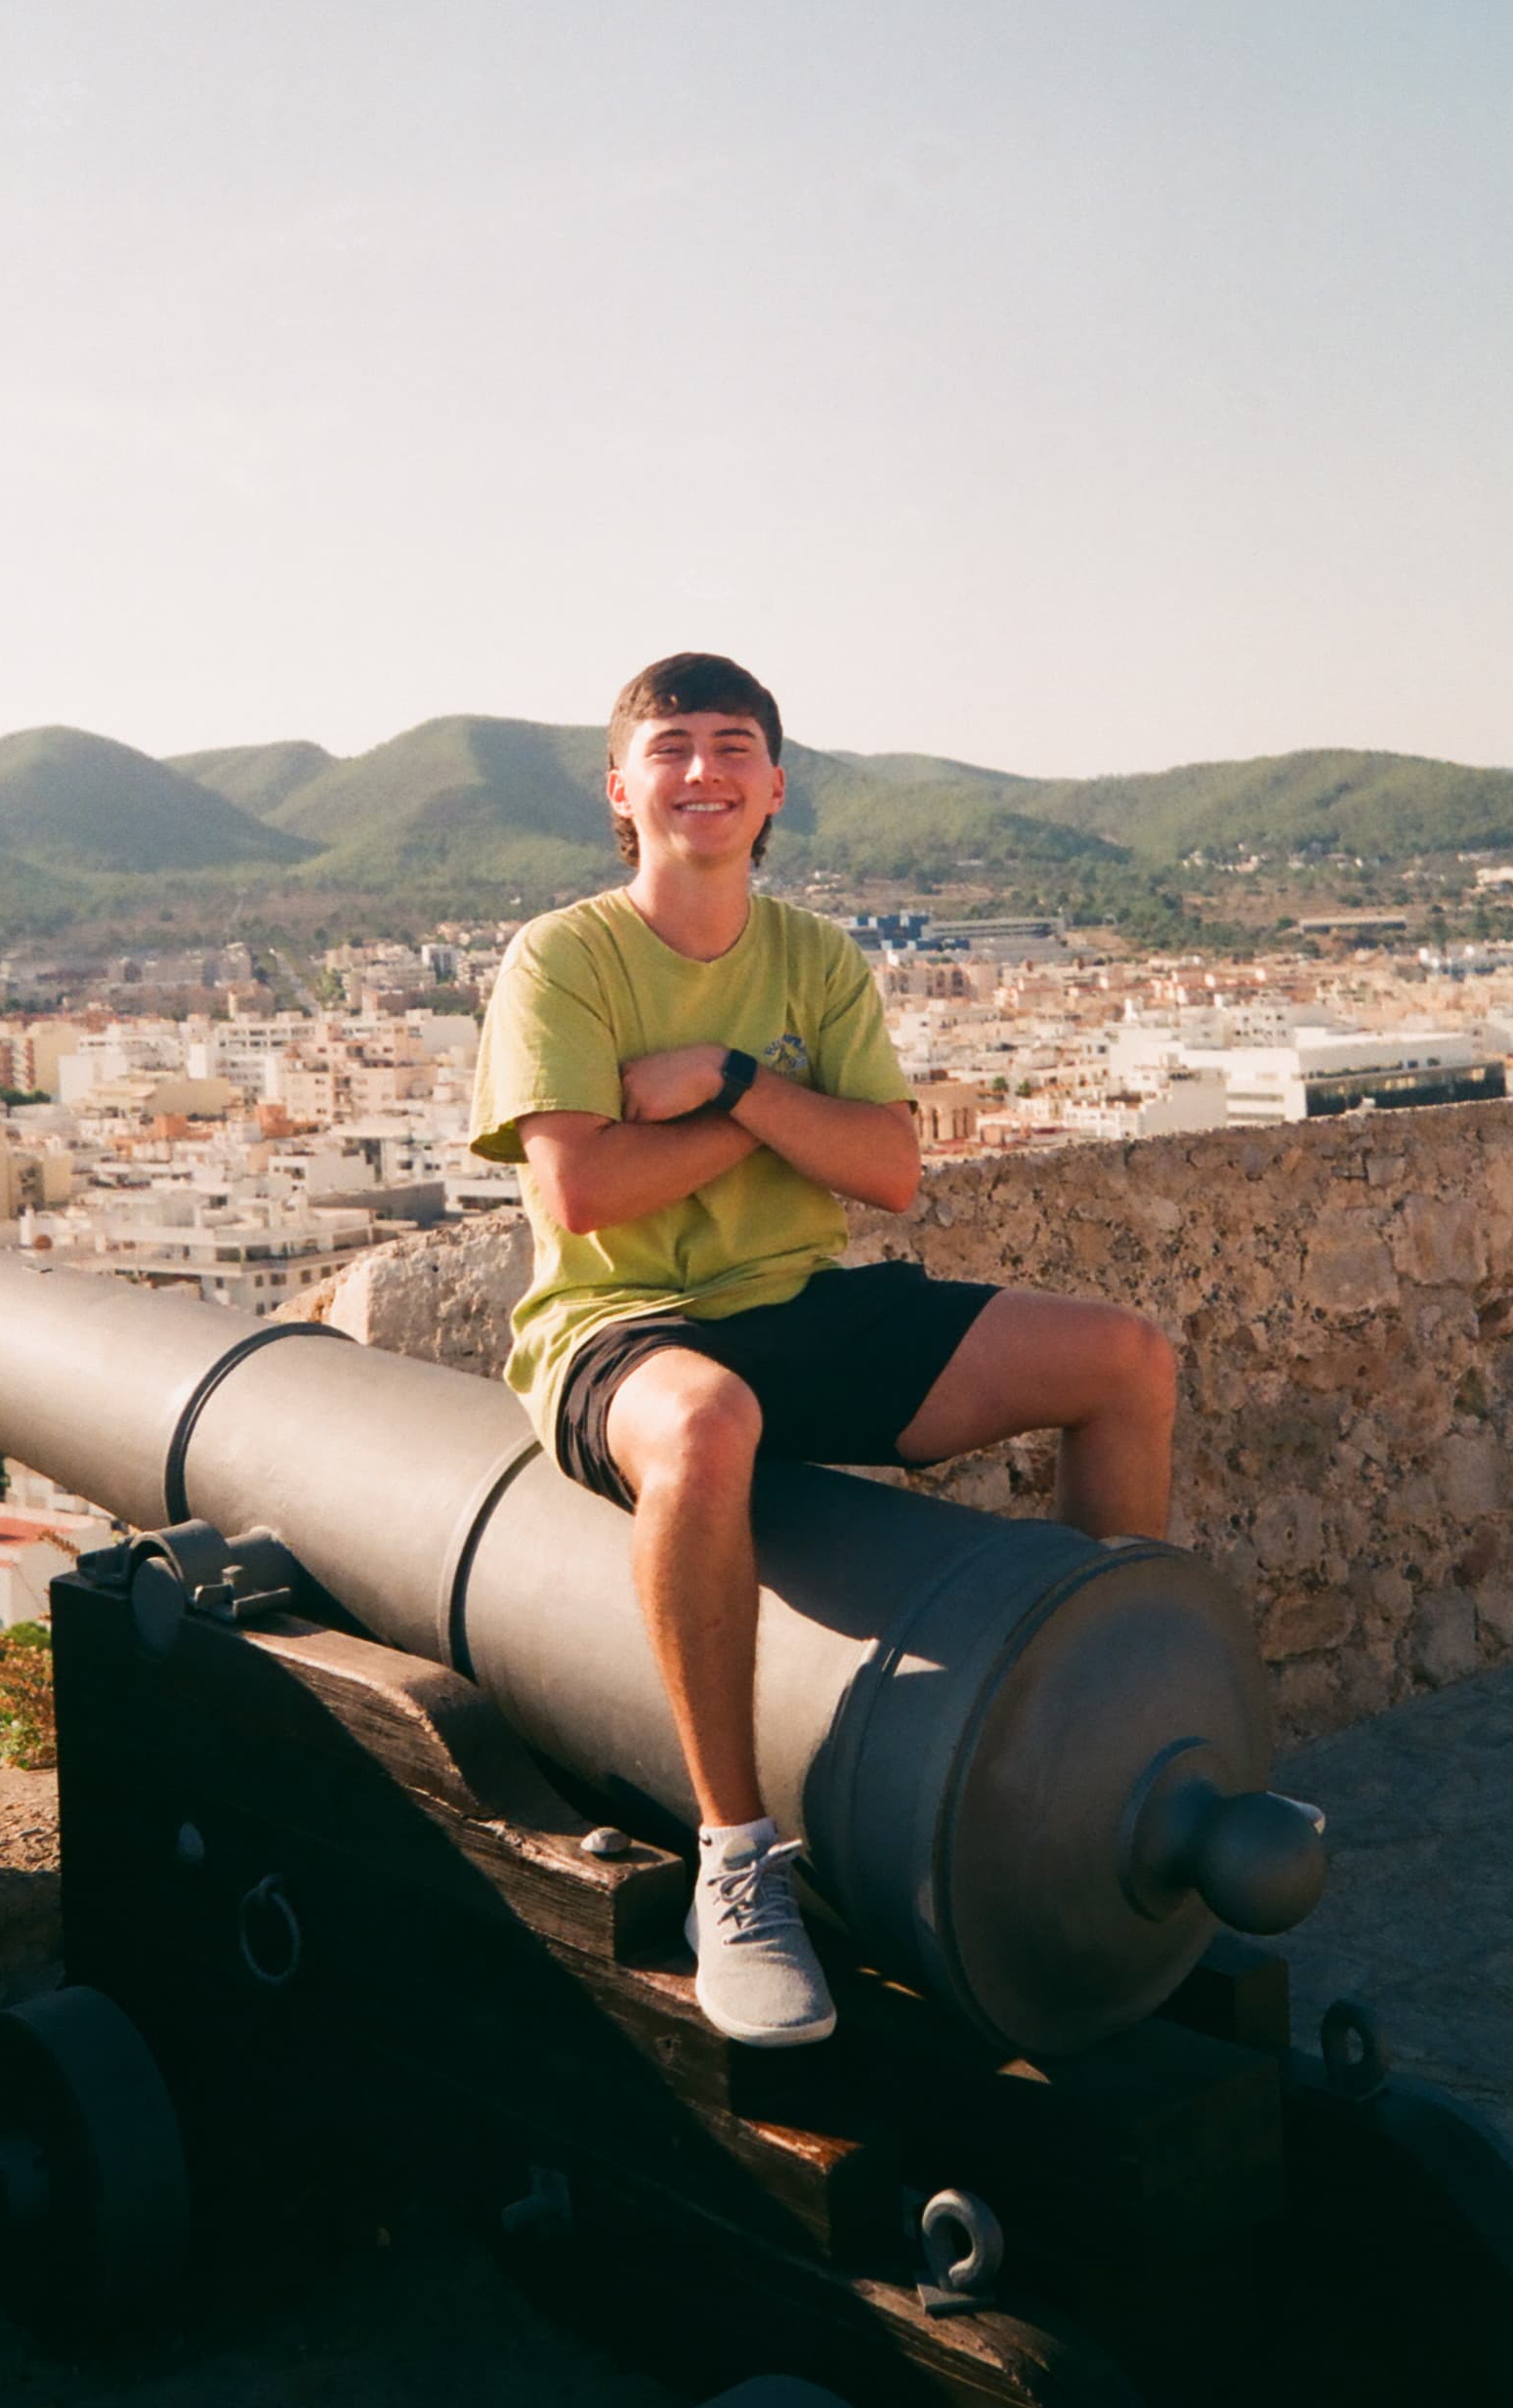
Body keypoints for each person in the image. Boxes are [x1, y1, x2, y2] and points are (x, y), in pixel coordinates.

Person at [469, 652, 1175, 2048]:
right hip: (620, 1329)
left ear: (774, 786)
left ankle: (1100, 1743)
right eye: (671, 748)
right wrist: (783, 1113)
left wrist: (727, 1082)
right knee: (706, 1425)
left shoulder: (812, 959)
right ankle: (737, 1861)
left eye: (732, 746)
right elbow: (581, 1195)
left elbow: (893, 1171)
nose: (703, 771)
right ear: (622, 789)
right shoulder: (560, 958)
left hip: (797, 1303)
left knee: (1125, 1362)